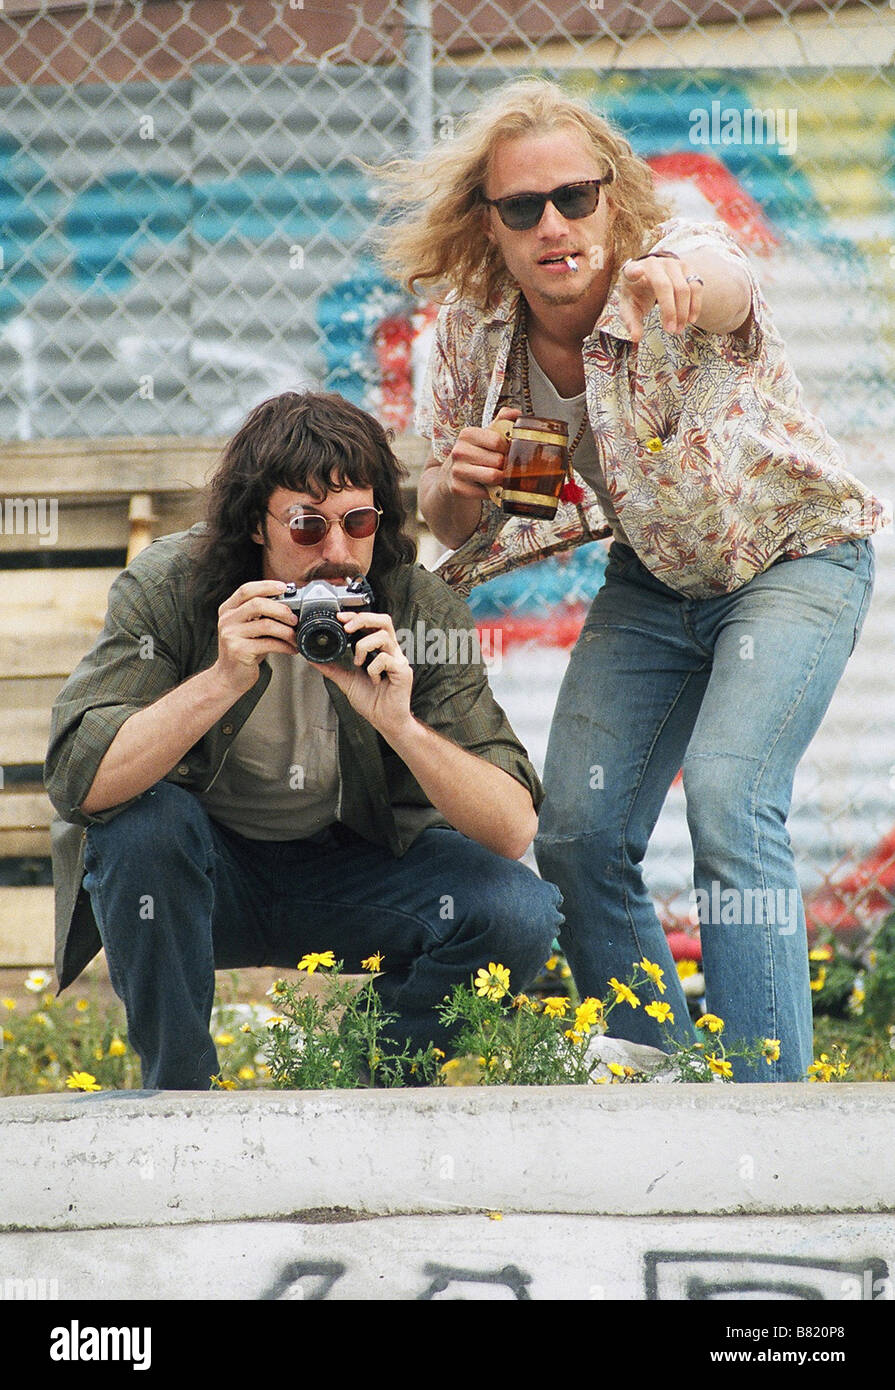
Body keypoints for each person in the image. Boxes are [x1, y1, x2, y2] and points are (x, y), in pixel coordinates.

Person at [380, 77, 889, 1081]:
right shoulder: (473, 342)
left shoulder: (669, 272)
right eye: (522, 207)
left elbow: (726, 280)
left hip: (792, 559)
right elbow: (452, 525)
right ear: (490, 224)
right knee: (574, 831)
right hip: (657, 586)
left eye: (575, 196)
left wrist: (687, 286)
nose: (553, 224)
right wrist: (452, 482)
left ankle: (764, 1109)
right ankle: (666, 1072)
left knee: (730, 794)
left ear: (612, 197)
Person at [44, 390, 562, 1089]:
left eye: (358, 521)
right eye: (306, 526)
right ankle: (180, 1101)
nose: (338, 553)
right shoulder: (174, 585)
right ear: (255, 525)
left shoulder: (414, 607)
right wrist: (223, 678)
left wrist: (397, 722)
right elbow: (80, 782)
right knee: (140, 827)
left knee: (516, 911)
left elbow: (509, 831)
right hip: (202, 877)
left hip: (349, 876)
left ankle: (362, 1089)